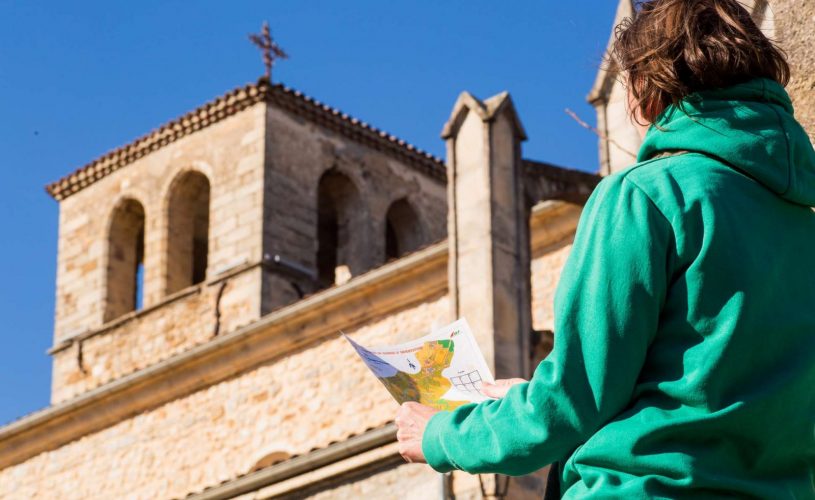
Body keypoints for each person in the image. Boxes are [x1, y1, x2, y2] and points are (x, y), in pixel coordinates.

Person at [394, 0, 815, 497]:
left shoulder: (646, 197)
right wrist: (532, 397)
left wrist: (442, 434)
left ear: (644, 88)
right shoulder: (802, 225)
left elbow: (575, 400)